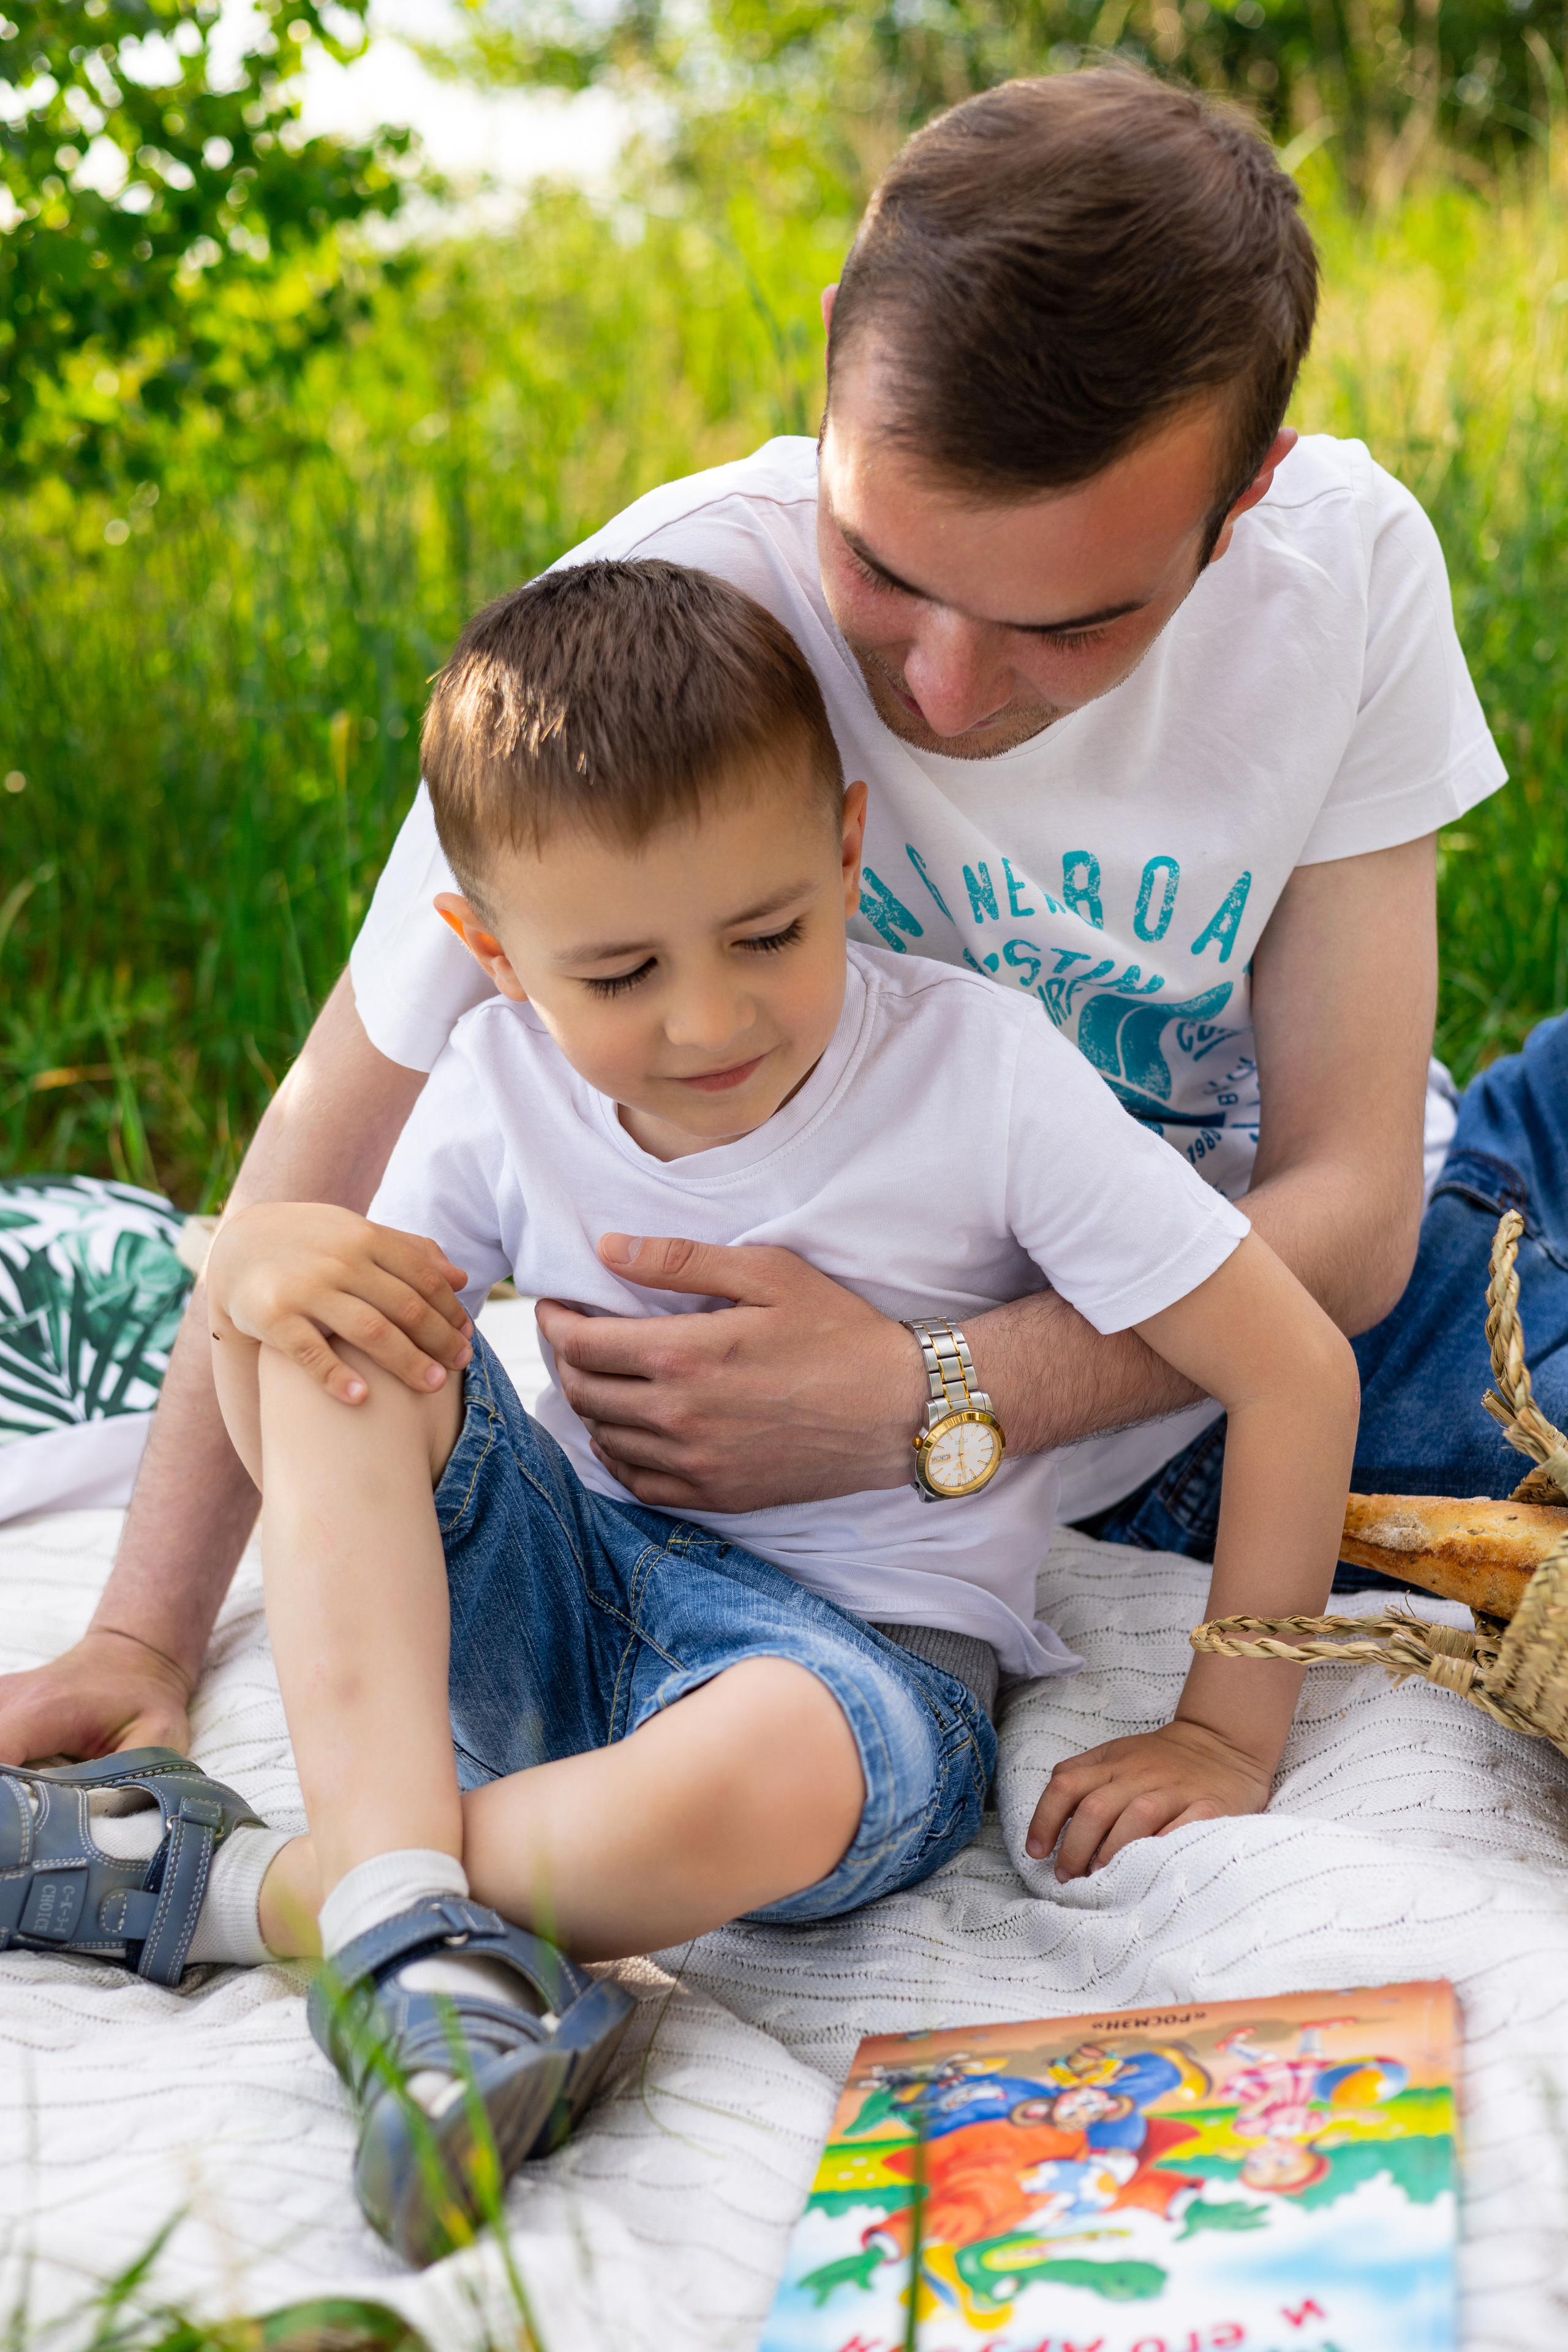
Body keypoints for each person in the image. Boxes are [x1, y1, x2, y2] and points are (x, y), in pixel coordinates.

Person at [0, 65, 1525, 1777]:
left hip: (1250, 1353)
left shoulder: (1345, 566)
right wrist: (138, 1633)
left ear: (1246, 495)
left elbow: (1350, 1209)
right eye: (885, 569)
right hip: (839, 1484)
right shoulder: (651, 641)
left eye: (1077, 626)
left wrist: (942, 1397)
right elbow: (326, 1149)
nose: (945, 691)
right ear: (830, 361)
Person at [0, 562, 1358, 2259]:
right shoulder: (497, 1086)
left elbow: (1295, 1360)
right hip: (555, 1588)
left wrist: (1226, 1731)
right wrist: (266, 1270)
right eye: (622, 972)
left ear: (852, 850)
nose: (707, 1020)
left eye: (770, 935)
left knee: (752, 1775)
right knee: (319, 1317)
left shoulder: (982, 1074)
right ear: (491, 955)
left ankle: (241, 1890)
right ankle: (420, 1925)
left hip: (848, 1666)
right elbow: (337, 1410)